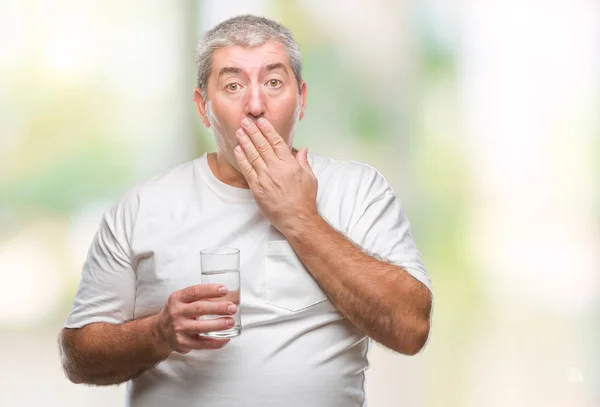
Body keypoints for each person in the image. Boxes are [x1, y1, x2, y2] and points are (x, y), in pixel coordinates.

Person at [59, 14, 433, 407]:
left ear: (302, 99)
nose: (255, 105)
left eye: (274, 82)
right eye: (233, 85)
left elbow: (411, 328)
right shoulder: (142, 207)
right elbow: (77, 358)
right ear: (203, 107)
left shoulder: (359, 191)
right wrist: (158, 333)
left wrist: (300, 218)